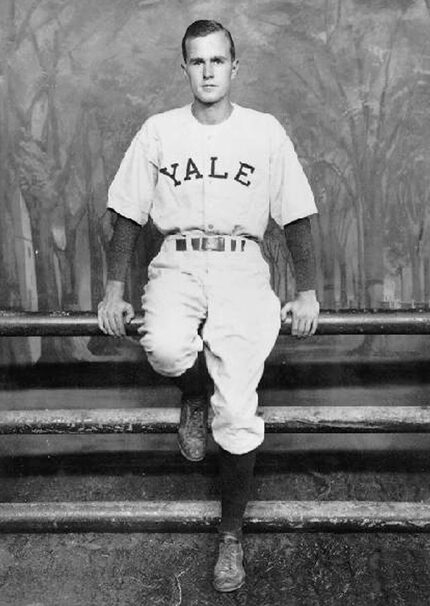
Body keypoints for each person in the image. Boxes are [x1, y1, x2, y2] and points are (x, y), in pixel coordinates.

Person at [97, 19, 319, 593]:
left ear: (235, 66)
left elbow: (296, 212)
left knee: (239, 408)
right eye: (197, 62)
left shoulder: (263, 132)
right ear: (185, 68)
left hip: (242, 265)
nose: (208, 71)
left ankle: (230, 536)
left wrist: (307, 290)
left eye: (218, 61)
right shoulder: (159, 130)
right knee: (168, 348)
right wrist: (115, 288)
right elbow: (125, 212)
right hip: (176, 261)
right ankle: (193, 394)